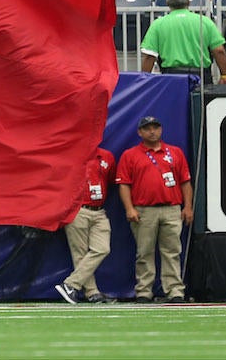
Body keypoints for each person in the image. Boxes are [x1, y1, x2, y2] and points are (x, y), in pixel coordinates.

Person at [116, 116, 193, 304]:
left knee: (172, 251)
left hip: (172, 208)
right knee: (144, 252)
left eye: (155, 128)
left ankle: (174, 290)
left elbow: (185, 181)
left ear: (161, 130)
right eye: (147, 128)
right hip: (143, 211)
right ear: (140, 132)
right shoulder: (130, 155)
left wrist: (188, 207)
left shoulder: (175, 153)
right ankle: (144, 291)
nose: (152, 131)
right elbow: (124, 184)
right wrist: (129, 208)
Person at [54, 145, 116, 304]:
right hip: (78, 209)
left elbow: (110, 179)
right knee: (79, 253)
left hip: (99, 210)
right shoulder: (71, 156)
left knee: (102, 248)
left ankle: (70, 284)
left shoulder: (107, 156)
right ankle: (92, 293)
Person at [141, 0, 226, 84]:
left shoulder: (158, 24)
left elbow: (150, 56)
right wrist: (224, 75)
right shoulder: (205, 21)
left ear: (167, 3)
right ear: (188, 2)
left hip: (171, 78)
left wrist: (144, 80)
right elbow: (219, 51)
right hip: (201, 77)